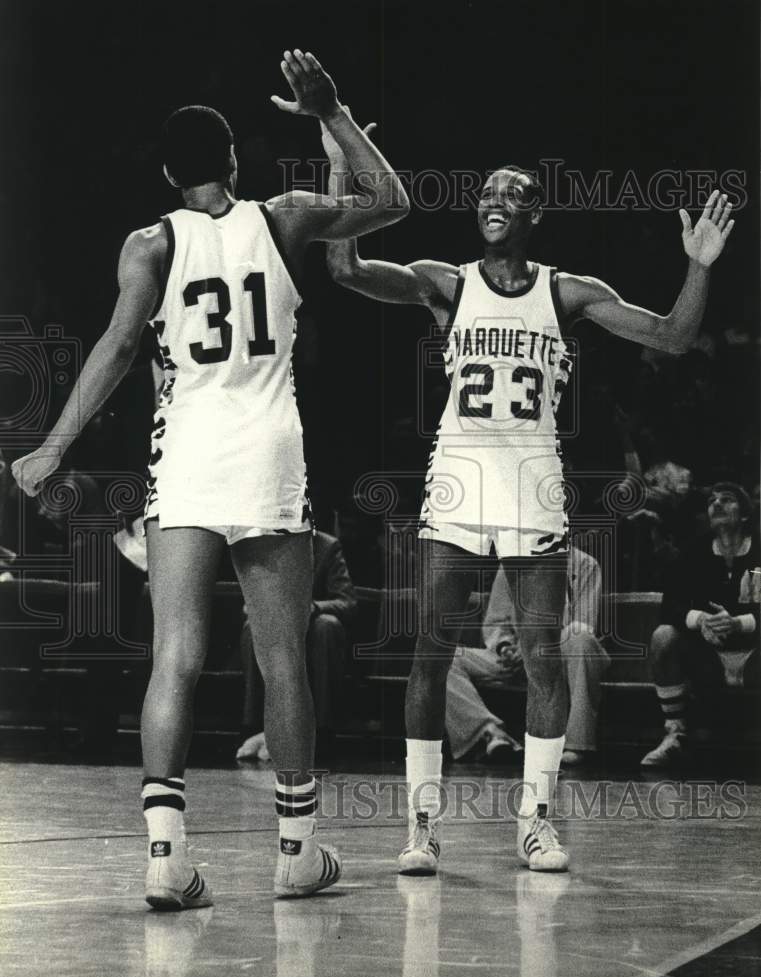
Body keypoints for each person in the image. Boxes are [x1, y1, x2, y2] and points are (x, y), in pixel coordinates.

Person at [12, 50, 409, 908]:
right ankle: (296, 851)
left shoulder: (149, 241)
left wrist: (51, 449)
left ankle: (165, 860)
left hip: (186, 456)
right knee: (282, 658)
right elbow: (391, 202)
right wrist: (331, 112)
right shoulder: (285, 217)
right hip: (269, 454)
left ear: (165, 171)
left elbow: (119, 349)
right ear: (235, 163)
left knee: (177, 657)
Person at [325, 137, 734, 873]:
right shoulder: (443, 282)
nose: (491, 201)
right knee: (430, 651)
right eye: (483, 191)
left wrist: (697, 268)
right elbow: (343, 268)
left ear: (534, 213)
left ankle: (535, 821)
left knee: (544, 655)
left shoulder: (564, 291)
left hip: (533, 483)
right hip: (456, 476)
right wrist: (336, 161)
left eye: (509, 193)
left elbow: (673, 336)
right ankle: (421, 826)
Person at [446, 547, 609, 766]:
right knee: (444, 657)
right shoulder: (510, 565)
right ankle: (489, 733)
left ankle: (577, 745)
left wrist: (535, 649)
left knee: (581, 639)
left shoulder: (585, 565)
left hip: (557, 660)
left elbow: (582, 625)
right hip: (513, 659)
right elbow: (496, 622)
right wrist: (505, 647)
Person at [641, 482, 760, 767]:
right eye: (712, 501)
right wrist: (701, 620)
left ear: (744, 514)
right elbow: (670, 606)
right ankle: (675, 734)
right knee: (663, 636)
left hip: (756, 653)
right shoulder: (694, 551)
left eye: (726, 500)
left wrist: (739, 623)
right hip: (708, 656)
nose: (716, 505)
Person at [236, 529, 358, 761]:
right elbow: (248, 602)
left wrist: (312, 607)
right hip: (276, 620)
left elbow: (347, 601)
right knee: (254, 627)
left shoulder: (327, 546)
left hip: (314, 625)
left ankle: (322, 732)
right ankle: (253, 727)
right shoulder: (263, 542)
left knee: (326, 627)